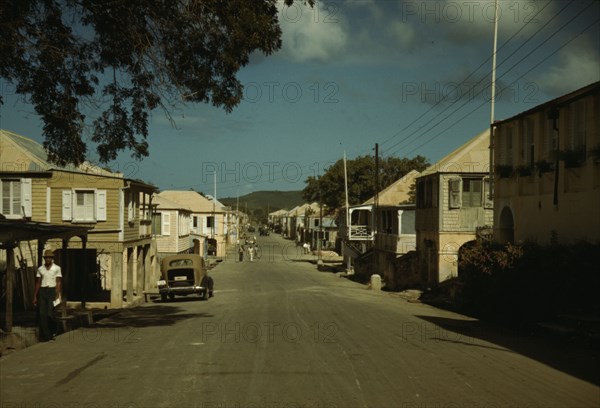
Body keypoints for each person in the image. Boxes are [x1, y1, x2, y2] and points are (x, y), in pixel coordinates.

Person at [33, 249, 62, 342]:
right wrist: (35, 296)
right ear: (44, 259)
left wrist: (57, 293)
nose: (48, 259)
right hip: (42, 291)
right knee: (42, 314)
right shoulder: (40, 269)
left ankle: (53, 330)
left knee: (50, 314)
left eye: (49, 257)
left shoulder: (57, 268)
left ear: (52, 258)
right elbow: (37, 283)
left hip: (52, 291)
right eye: (46, 258)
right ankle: (46, 336)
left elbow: (58, 281)